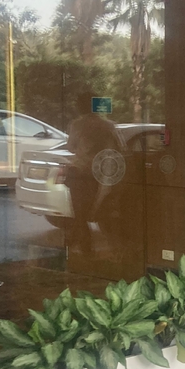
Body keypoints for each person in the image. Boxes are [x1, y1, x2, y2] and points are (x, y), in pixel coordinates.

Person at [65, 90, 121, 256]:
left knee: (80, 213)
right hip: (101, 175)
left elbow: (71, 147)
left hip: (80, 173)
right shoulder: (108, 126)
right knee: (100, 212)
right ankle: (83, 243)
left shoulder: (77, 125)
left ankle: (85, 248)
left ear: (81, 106)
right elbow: (117, 149)